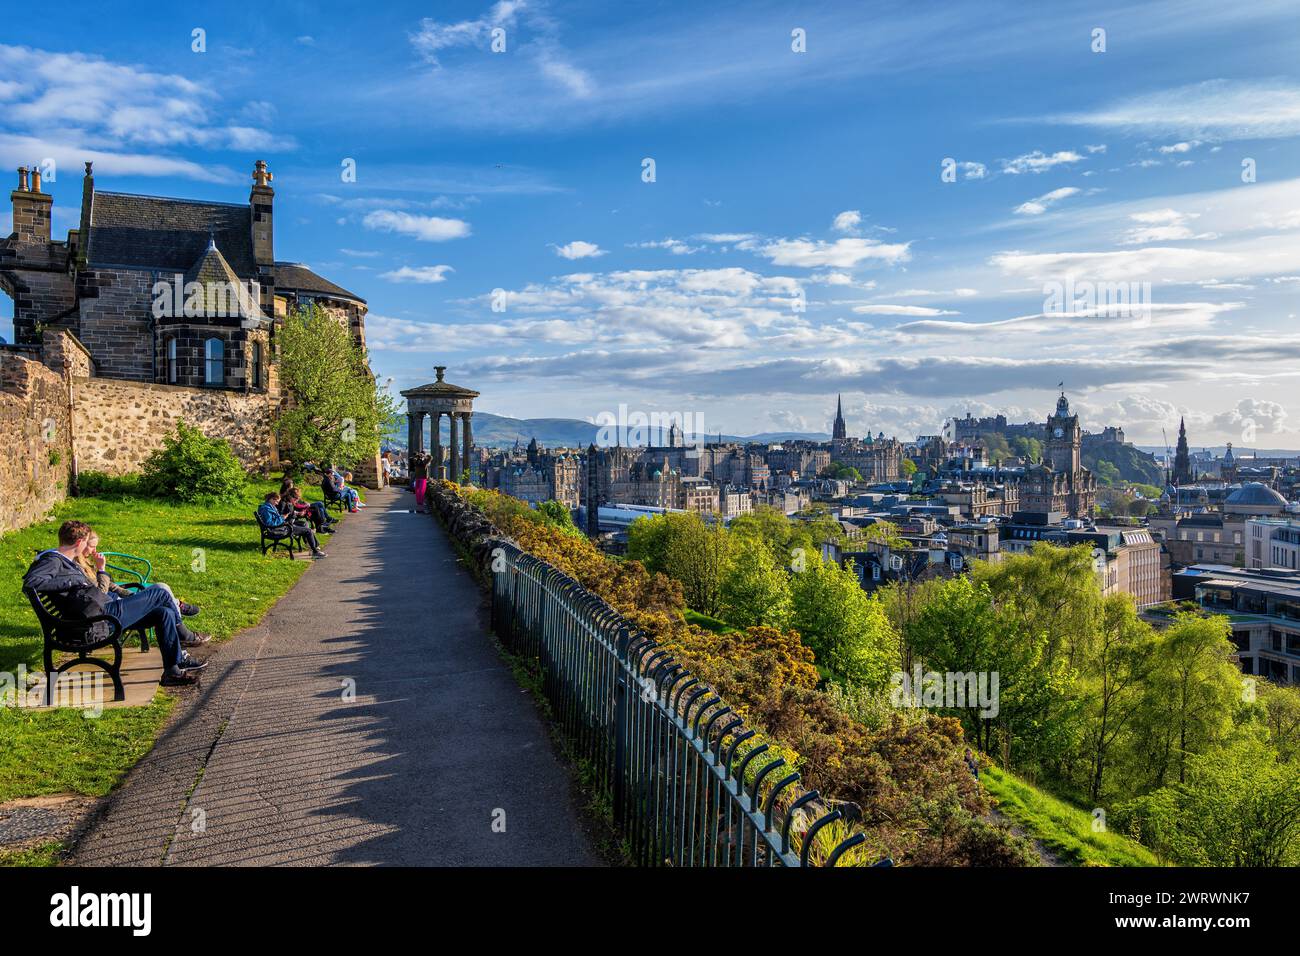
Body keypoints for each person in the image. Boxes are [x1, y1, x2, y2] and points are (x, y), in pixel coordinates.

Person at [23, 521, 206, 685]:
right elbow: (31, 582)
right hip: (97, 622)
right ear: (79, 543)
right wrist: (73, 582)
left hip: (99, 614)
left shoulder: (62, 560)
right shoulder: (53, 560)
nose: (89, 547)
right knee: (159, 593)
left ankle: (172, 672)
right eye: (87, 542)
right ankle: (185, 637)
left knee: (163, 613)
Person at [75, 531, 210, 647]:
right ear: (82, 544)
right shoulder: (77, 567)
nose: (95, 551)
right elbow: (100, 595)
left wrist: (131, 595)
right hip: (111, 612)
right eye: (92, 547)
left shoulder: (86, 563)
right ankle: (183, 627)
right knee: (161, 589)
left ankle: (176, 662)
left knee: (165, 605)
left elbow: (111, 586)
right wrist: (102, 570)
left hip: (118, 603)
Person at [258, 492, 326, 557]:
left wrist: (283, 518)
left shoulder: (268, 507)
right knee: (308, 531)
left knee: (305, 526)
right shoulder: (266, 509)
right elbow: (270, 523)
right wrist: (282, 518)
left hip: (279, 527)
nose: (277, 503)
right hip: (278, 529)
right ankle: (315, 551)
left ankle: (313, 547)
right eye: (276, 501)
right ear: (271, 499)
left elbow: (273, 520)